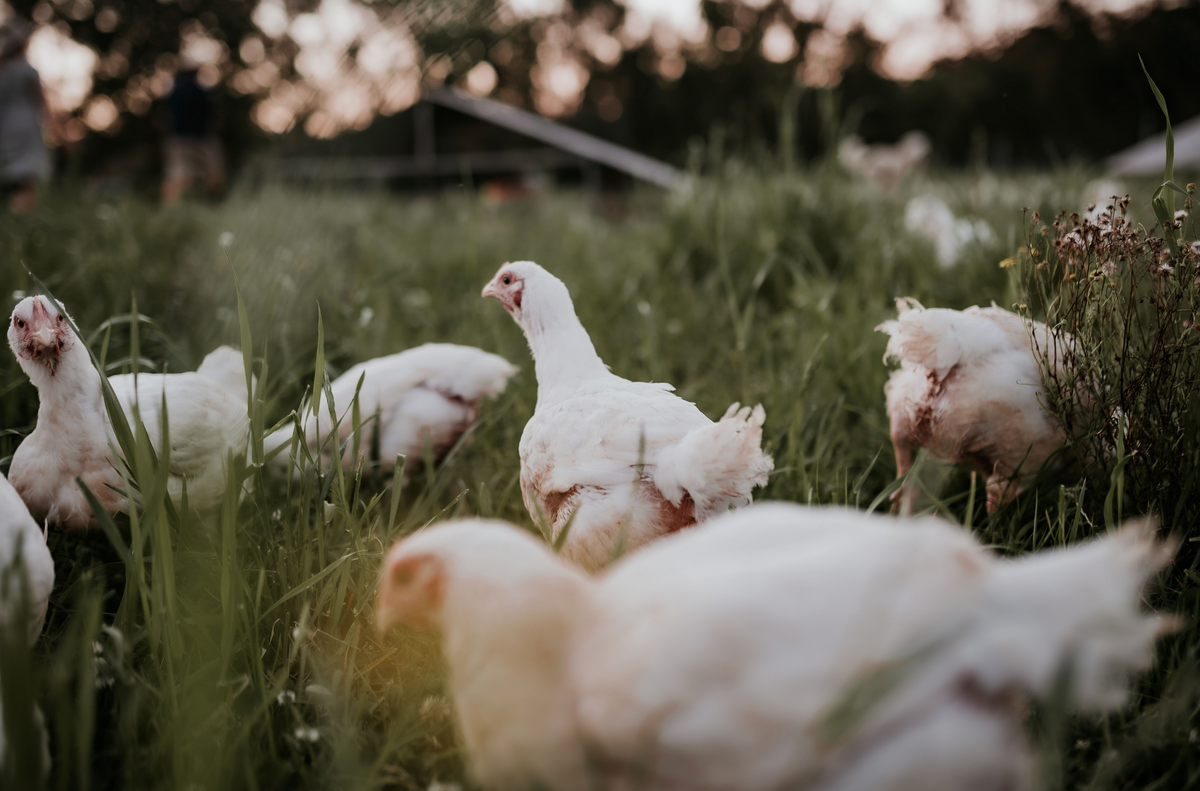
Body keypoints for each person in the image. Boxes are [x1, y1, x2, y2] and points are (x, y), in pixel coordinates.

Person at [0, 18, 51, 213]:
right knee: (26, 177)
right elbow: (41, 101)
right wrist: (58, 126)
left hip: (4, 125)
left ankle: (11, 213)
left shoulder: (3, 70)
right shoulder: (27, 70)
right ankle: (21, 214)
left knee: (10, 171)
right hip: (25, 125)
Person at [161, 56, 226, 205]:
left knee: (178, 176)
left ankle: (172, 207)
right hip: (200, 140)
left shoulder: (173, 93)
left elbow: (167, 116)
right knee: (213, 173)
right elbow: (211, 117)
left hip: (177, 140)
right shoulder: (200, 92)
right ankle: (209, 202)